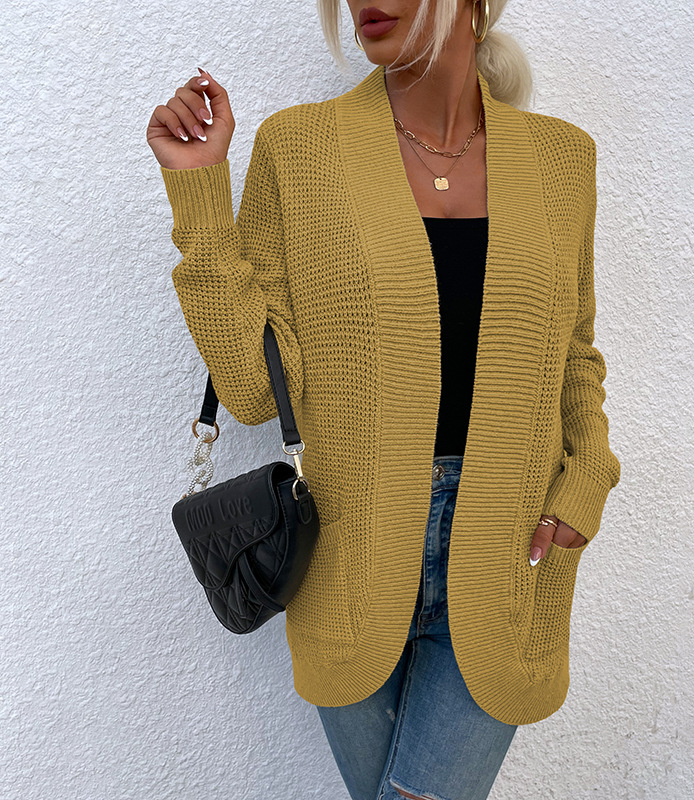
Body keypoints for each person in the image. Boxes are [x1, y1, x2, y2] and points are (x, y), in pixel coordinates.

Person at [147, 1, 621, 798]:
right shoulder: (299, 149)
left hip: (509, 553)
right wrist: (199, 198)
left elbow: (573, 349)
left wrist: (589, 478)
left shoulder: (562, 160)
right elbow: (255, 391)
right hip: (348, 556)